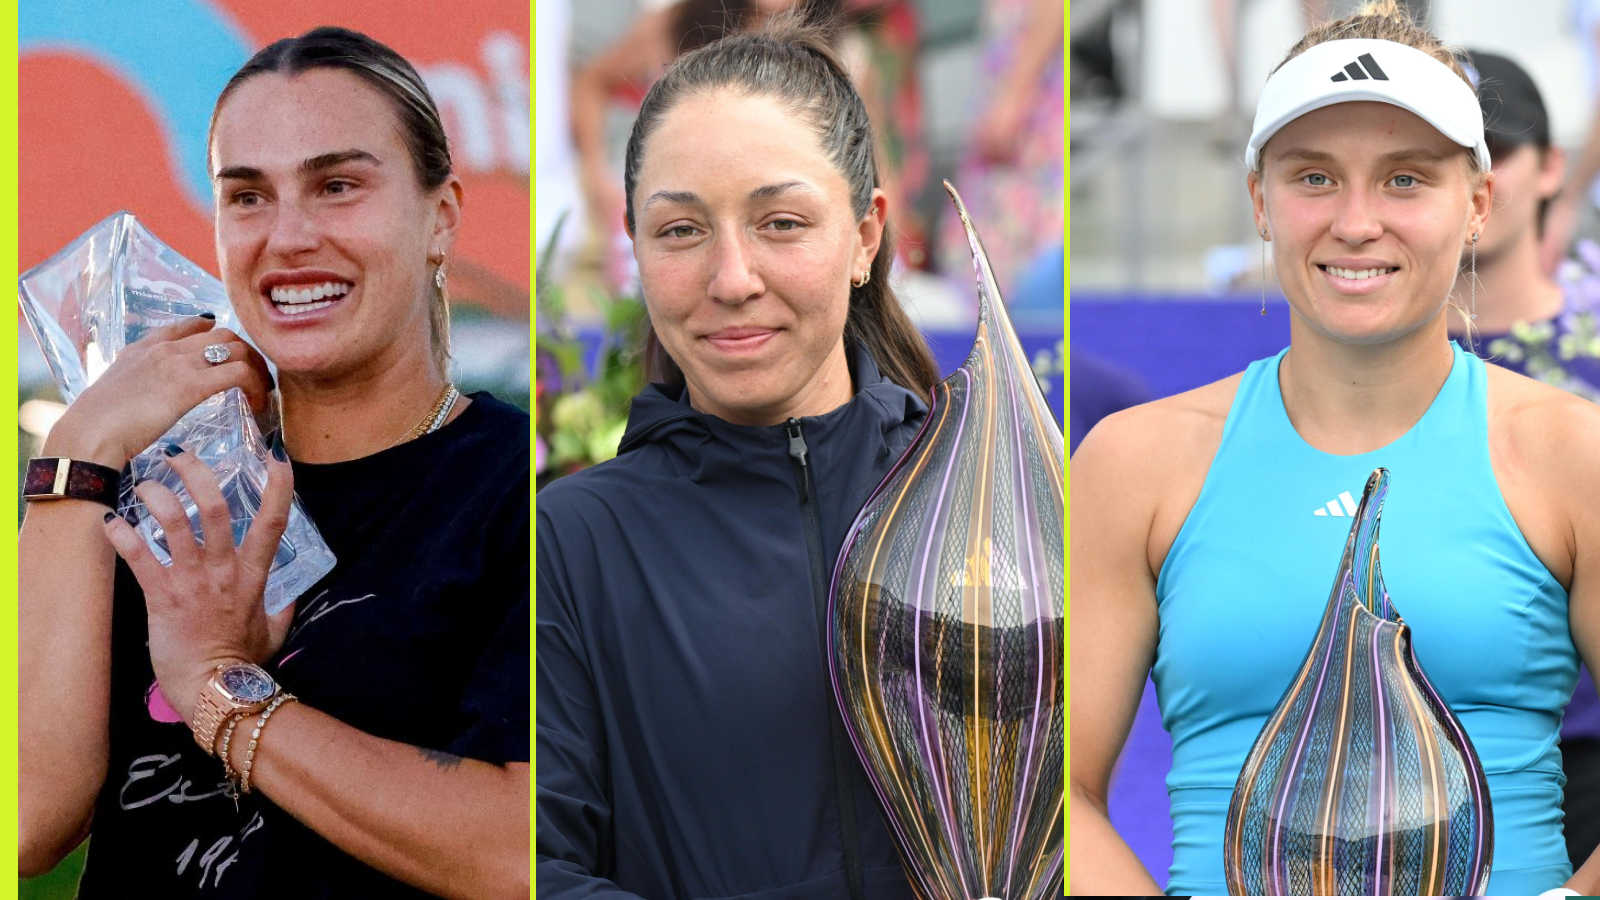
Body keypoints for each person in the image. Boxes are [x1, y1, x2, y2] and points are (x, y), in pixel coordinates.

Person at [1069, 2, 1600, 895]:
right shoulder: (1135, 463)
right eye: (1314, 177)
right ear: (1260, 201)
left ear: (1478, 204)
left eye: (1405, 180)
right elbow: (1055, 794)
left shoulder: (1570, 451)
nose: (1356, 222)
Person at [18, 27, 529, 898]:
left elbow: (519, 854)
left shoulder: (521, 490)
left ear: (441, 216)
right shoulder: (155, 482)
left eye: (337, 186)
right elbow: (27, 821)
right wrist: (77, 453)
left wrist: (215, 684)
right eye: (248, 196)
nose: (288, 236)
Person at [537, 20, 945, 899]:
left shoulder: (982, 498)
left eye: (781, 223)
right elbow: (538, 867)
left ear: (866, 235)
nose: (732, 279)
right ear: (635, 247)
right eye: (681, 230)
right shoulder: (570, 544)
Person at [1449, 46, 1600, 874]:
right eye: (1442, 156)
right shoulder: (1344, 369)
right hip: (1405, 753)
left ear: (1550, 168)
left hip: (1581, 756)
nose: (1476, 178)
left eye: (1494, 151)